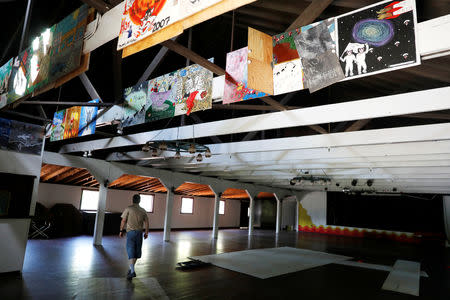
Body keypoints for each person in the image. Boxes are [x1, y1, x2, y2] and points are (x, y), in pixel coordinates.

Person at [119, 194, 149, 280]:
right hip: (139, 233)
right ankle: (131, 269)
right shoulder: (143, 210)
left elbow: (123, 220)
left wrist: (121, 230)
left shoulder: (128, 209)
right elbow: (147, 222)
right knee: (136, 251)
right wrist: (146, 232)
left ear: (133, 200)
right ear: (139, 200)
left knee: (131, 250)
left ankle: (132, 271)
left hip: (130, 233)